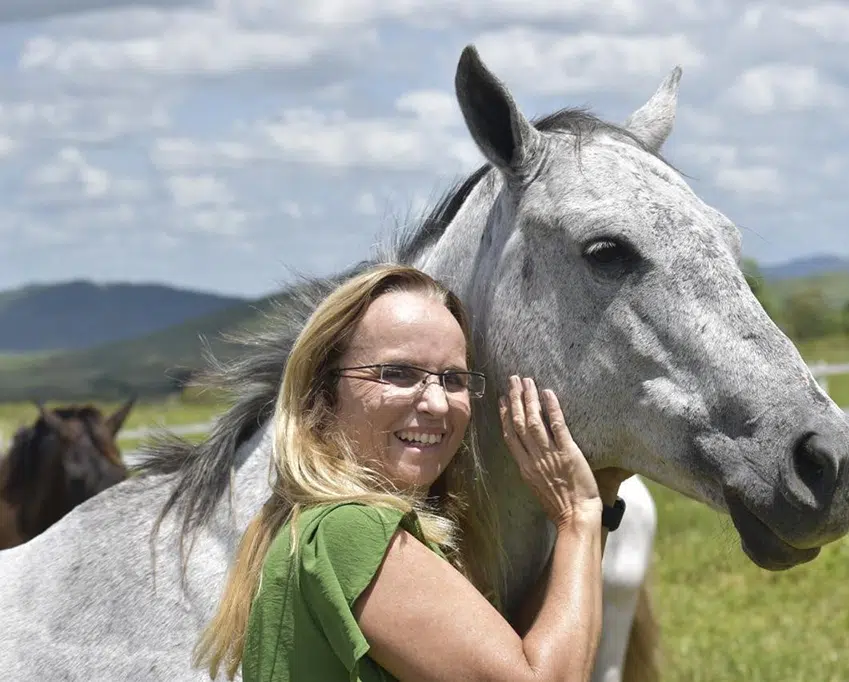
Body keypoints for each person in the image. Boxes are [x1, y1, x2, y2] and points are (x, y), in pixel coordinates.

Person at [193, 264, 628, 682]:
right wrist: (577, 516)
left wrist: (601, 502)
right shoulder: (349, 529)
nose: (437, 403)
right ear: (322, 394)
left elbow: (511, 656)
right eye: (398, 374)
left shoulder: (322, 527)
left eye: (454, 380)